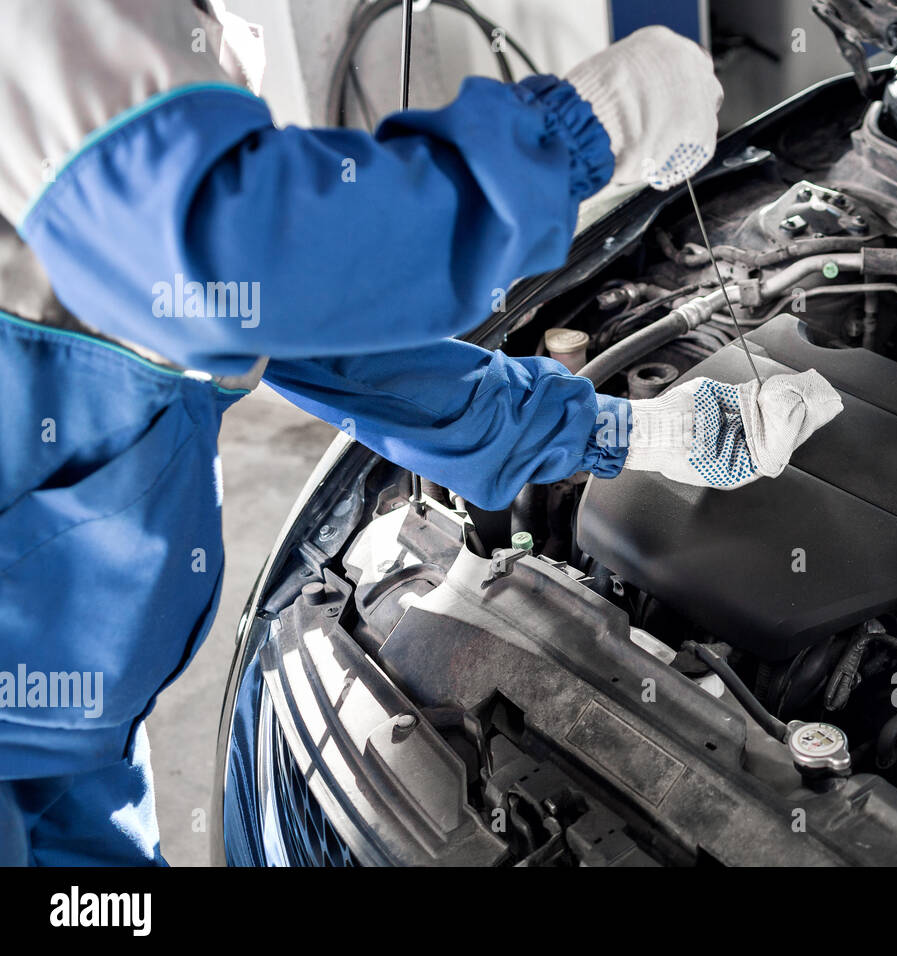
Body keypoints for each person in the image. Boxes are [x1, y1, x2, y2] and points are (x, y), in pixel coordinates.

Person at [0, 0, 841, 865]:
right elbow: (244, 257)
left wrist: (625, 433)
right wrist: (584, 133)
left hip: (65, 725)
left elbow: (307, 336)